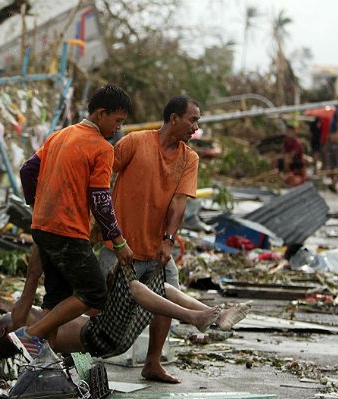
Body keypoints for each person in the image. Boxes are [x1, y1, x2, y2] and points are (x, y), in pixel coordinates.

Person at [10, 84, 135, 361]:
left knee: (55, 301)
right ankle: (30, 335)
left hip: (42, 227)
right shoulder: (102, 148)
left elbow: (28, 170)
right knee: (94, 293)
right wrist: (119, 242)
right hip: (68, 231)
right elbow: (101, 200)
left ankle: (44, 365)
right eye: (117, 121)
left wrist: (38, 204)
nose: (118, 129)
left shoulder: (60, 135)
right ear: (101, 114)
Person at [95, 95, 200, 384]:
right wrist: (101, 223)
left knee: (165, 300)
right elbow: (102, 177)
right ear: (174, 118)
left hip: (157, 248)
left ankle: (153, 362)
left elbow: (180, 202)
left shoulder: (189, 158)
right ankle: (86, 358)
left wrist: (168, 239)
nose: (195, 127)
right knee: (98, 304)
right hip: (119, 245)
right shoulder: (135, 142)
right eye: (192, 120)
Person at [0, 262, 249, 360]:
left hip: (104, 333)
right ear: (5, 331)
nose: (0, 316)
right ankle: (195, 318)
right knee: (135, 287)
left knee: (157, 287)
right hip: (100, 337)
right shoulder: (22, 324)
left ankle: (213, 317)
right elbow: (32, 275)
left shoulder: (39, 321)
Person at [274, 122, 306, 187]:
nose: (288, 133)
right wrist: (277, 157)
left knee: (287, 159)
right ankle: (277, 177)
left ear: (294, 132)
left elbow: (291, 155)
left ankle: (287, 176)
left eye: (290, 131)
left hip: (297, 163)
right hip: (289, 160)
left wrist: (281, 156)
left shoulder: (297, 143)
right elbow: (283, 152)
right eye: (287, 131)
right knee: (275, 160)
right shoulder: (286, 140)